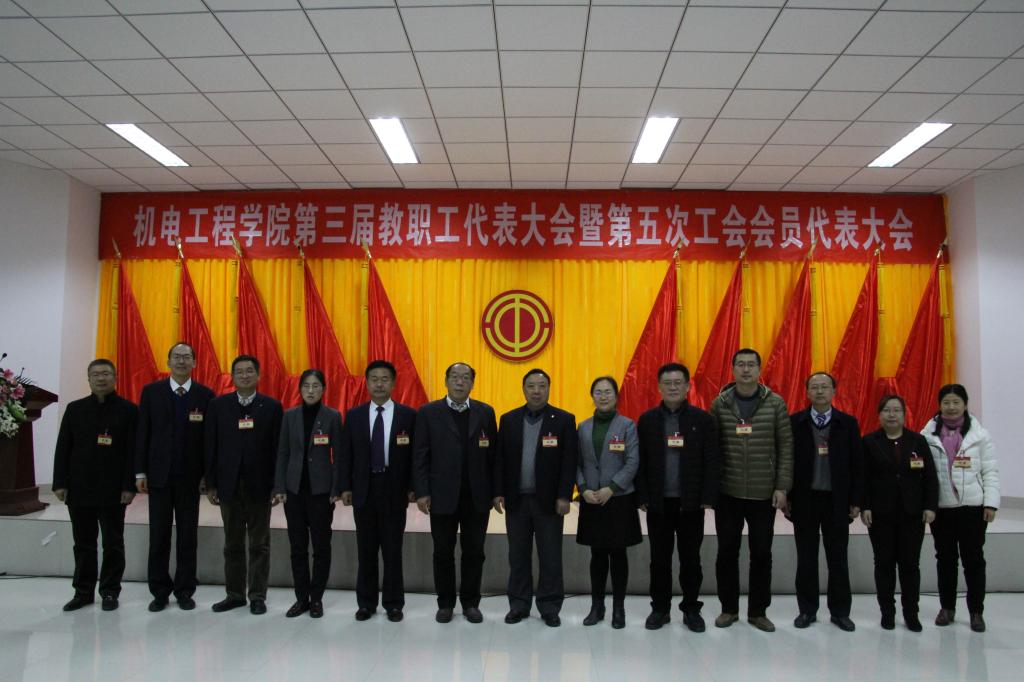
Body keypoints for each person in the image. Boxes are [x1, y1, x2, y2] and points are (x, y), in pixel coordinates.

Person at [709, 348, 793, 632]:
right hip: (728, 493)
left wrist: (782, 486)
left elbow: (786, 446)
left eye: (751, 365)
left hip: (763, 493)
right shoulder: (720, 403)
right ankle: (728, 609)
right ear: (733, 369)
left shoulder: (775, 403)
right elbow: (712, 449)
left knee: (761, 554)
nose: (746, 370)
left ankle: (758, 611)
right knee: (726, 553)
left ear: (759, 369)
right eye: (741, 365)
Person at [413, 362, 498, 624]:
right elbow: (420, 454)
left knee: (474, 552)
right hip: (441, 495)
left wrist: (496, 492)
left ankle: (471, 603)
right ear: (446, 381)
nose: (460, 382)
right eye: (455, 377)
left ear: (473, 383)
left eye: (465, 378)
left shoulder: (485, 412)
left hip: (477, 496)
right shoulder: (428, 412)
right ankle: (446, 604)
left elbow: (493, 457)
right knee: (443, 552)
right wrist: (422, 491)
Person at [636, 362, 718, 632]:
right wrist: (643, 496)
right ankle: (660, 609)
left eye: (677, 383)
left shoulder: (702, 420)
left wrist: (708, 496)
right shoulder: (647, 420)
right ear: (659, 387)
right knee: (659, 560)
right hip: (658, 504)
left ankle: (691, 609)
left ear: (687, 386)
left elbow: (711, 460)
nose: (672, 387)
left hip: (690, 503)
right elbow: (641, 462)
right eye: (667, 383)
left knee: (690, 560)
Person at [493, 369, 577, 628]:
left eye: (542, 386)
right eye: (531, 386)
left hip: (549, 502)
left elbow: (569, 461)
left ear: (549, 389)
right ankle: (518, 605)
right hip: (516, 501)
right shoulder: (508, 420)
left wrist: (565, 495)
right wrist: (498, 492)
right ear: (523, 389)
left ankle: (549, 607)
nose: (536, 391)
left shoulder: (563, 420)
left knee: (550, 556)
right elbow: (499, 459)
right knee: (518, 556)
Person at [335, 360, 418, 623]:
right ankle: (366, 603)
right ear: (367, 383)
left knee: (393, 550)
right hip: (364, 488)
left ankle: (394, 604)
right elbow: (345, 454)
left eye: (385, 379)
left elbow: (415, 457)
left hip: (395, 489)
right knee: (366, 550)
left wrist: (413, 487)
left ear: (393, 384)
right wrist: (345, 486)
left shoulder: (408, 416)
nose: (379, 384)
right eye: (374, 379)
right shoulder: (355, 415)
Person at [52, 359, 137, 612]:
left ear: (115, 377)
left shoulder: (129, 410)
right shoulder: (75, 409)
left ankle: (110, 591)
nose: (101, 378)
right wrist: (60, 482)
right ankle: (83, 591)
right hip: (80, 487)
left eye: (106, 373)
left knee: (113, 543)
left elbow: (132, 452)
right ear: (88, 379)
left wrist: (129, 486)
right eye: (96, 374)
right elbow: (63, 448)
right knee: (83, 543)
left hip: (114, 490)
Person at [135, 342, 215, 612]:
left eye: (186, 357)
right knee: (158, 536)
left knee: (187, 536)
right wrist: (140, 471)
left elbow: (209, 441)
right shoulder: (152, 392)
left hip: (190, 479)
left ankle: (184, 590)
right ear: (168, 362)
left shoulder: (205, 395)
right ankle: (159, 591)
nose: (181, 361)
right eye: (177, 357)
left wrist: (207, 475)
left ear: (195, 362)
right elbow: (143, 434)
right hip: (158, 477)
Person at [204, 355, 283, 616]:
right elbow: (211, 446)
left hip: (260, 486)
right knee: (232, 543)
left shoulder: (271, 407)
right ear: (232, 376)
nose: (245, 375)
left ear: (258, 376)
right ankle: (234, 595)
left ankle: (257, 595)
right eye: (239, 372)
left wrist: (277, 485)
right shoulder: (218, 405)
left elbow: (277, 449)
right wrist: (211, 484)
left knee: (259, 544)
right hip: (228, 485)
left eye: (250, 371)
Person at [787, 372, 864, 632]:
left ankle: (840, 612)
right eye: (814, 387)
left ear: (834, 391)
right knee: (806, 558)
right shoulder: (795, 422)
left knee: (838, 559)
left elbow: (857, 464)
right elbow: (787, 462)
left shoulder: (848, 424)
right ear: (807, 392)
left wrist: (856, 499)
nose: (820, 391)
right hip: (805, 500)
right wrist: (787, 496)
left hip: (837, 501)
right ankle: (807, 610)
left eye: (825, 387)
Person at [921, 384, 1000, 633]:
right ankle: (947, 608)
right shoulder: (927, 435)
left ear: (965, 404)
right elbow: (923, 474)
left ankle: (976, 612)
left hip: (973, 508)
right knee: (945, 560)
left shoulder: (980, 435)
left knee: (973, 560)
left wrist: (991, 503)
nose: (951, 407)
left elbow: (990, 470)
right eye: (946, 402)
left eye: (956, 402)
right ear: (939, 405)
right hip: (942, 508)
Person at [861, 395, 937, 632]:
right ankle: (887, 613)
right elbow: (863, 478)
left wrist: (930, 506)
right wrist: (865, 506)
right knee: (883, 564)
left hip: (911, 513)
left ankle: (911, 613)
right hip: (880, 513)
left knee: (910, 565)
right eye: (887, 410)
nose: (892, 415)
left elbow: (930, 477)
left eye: (897, 410)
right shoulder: (869, 441)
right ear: (879, 415)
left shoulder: (918, 441)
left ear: (904, 415)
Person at [273, 369, 342, 619]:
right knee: (297, 547)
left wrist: (336, 488)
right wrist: (280, 487)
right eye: (306, 386)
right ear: (300, 389)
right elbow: (282, 453)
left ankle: (316, 598)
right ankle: (301, 598)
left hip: (321, 492)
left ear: (323, 390)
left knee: (321, 546)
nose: (311, 391)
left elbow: (339, 456)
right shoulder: (289, 416)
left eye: (316, 386)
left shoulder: (332, 416)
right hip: (294, 491)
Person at [576, 376, 642, 629]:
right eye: (598, 392)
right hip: (592, 499)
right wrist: (583, 488)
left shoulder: (627, 425)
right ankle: (597, 606)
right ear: (591, 396)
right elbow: (577, 462)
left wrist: (612, 488)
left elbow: (633, 461)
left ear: (616, 396)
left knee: (618, 554)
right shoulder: (583, 427)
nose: (603, 396)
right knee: (597, 555)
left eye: (608, 392)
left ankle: (618, 608)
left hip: (618, 499)